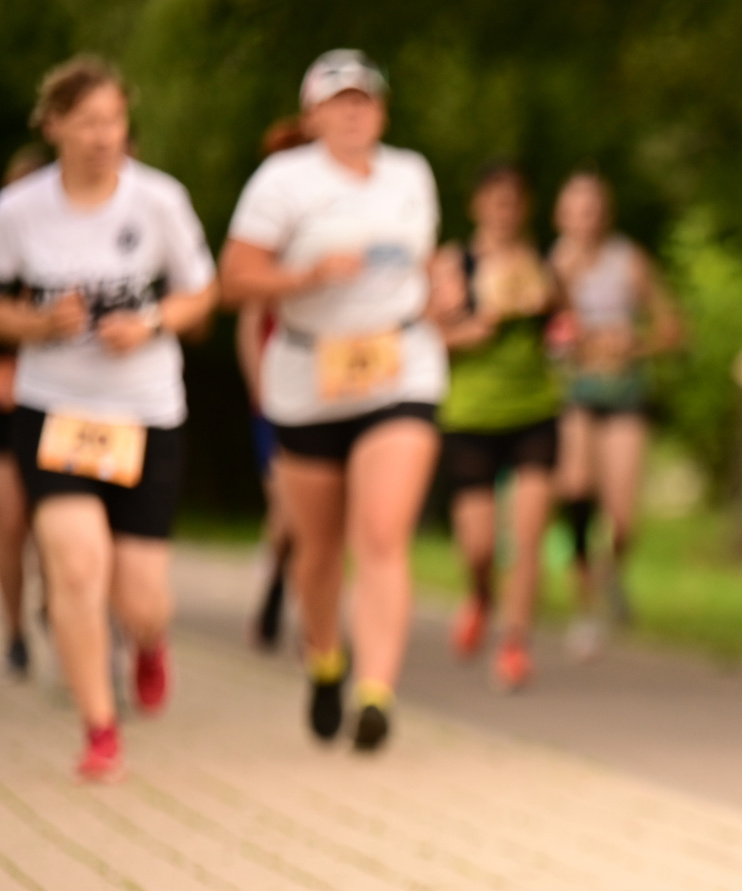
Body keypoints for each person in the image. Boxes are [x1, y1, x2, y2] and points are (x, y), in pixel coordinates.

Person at [220, 50, 451, 753]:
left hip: (399, 366)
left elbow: (427, 259)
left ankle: (376, 692)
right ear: (314, 113)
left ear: (381, 109)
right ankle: (326, 658)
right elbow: (235, 280)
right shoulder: (283, 182)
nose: (355, 111)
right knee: (317, 549)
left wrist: (443, 288)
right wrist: (306, 275)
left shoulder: (411, 174)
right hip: (310, 376)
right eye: (340, 100)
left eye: (366, 99)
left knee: (381, 533)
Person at [0, 57, 218, 780]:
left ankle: (149, 643)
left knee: (138, 596)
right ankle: (99, 725)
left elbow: (202, 294)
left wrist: (151, 322)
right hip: (55, 410)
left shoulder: (158, 201)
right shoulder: (21, 210)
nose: (102, 136)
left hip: (146, 414)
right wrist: (37, 324)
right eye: (87, 121)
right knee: (74, 565)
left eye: (114, 121)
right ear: (54, 124)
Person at [432, 161, 560, 690]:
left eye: (513, 201)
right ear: (477, 205)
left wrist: (550, 303)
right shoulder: (452, 261)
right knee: (481, 546)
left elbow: (569, 327)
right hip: (470, 415)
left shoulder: (546, 261)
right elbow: (428, 335)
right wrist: (474, 326)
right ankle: (480, 596)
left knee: (526, 537)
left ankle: (514, 645)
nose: (504, 211)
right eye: (494, 200)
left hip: (534, 410)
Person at [548, 168, 682, 655]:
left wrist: (635, 346)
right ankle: (584, 606)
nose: (586, 217)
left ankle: (611, 573)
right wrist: (574, 341)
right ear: (561, 215)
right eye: (576, 208)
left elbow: (673, 328)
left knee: (622, 517)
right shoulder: (549, 267)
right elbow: (537, 332)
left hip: (625, 393)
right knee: (577, 492)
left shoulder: (630, 262)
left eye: (594, 207)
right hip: (574, 393)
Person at [236, 115, 309, 652]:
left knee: (311, 514)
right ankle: (276, 590)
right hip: (277, 392)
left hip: (326, 387)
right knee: (291, 509)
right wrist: (261, 389)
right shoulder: (268, 235)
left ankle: (302, 605)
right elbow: (248, 321)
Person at [0, 140, 51, 677]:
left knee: (60, 523)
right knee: (10, 523)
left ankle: (59, 601)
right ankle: (15, 628)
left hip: (61, 408)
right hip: (8, 418)